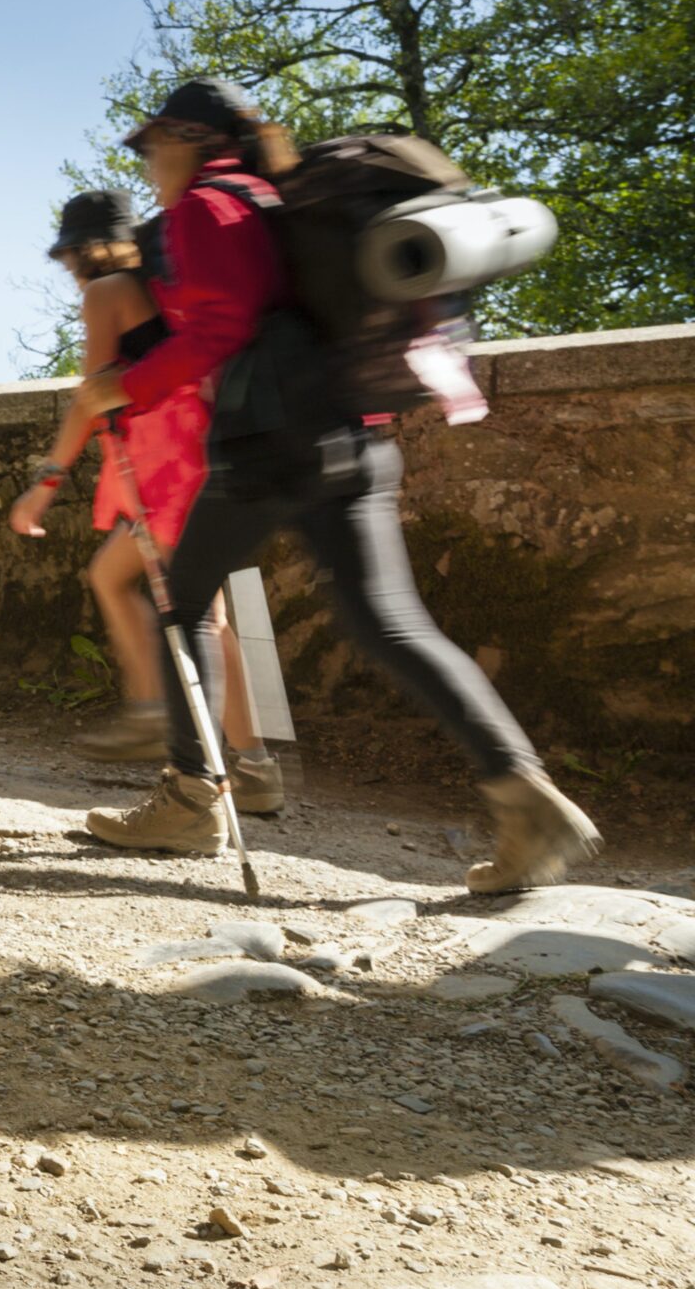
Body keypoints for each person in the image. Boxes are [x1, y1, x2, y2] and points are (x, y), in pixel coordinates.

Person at [70, 79, 598, 892]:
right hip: (351, 431)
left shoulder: (208, 207)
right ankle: (525, 797)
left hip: (269, 438)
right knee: (391, 620)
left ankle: (188, 799)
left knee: (179, 603)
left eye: (150, 146)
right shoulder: (275, 198)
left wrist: (122, 388)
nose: (145, 165)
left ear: (187, 138)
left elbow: (223, 325)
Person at [10, 190, 282, 815]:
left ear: (80, 251)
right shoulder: (167, 288)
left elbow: (94, 395)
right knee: (133, 582)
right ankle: (251, 764)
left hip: (168, 469)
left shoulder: (106, 294)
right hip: (203, 452)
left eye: (68, 254)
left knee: (202, 614)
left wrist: (44, 485)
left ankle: (164, 717)